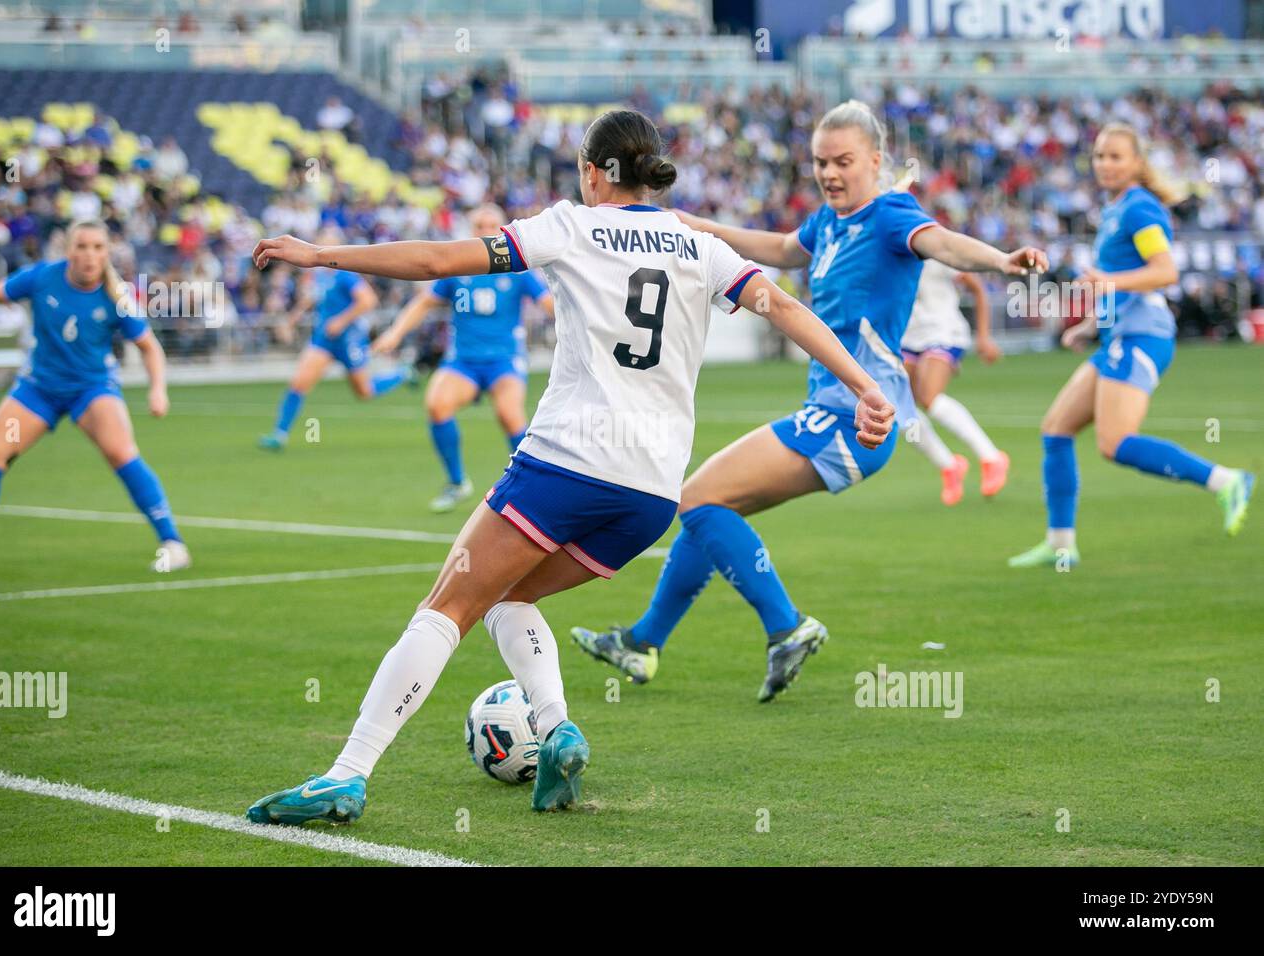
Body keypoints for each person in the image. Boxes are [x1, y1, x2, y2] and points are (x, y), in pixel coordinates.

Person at [244, 108, 894, 823]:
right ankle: (556, 730)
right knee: (506, 599)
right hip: (649, 493)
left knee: (447, 608)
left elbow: (435, 261)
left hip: (566, 463)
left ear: (592, 172)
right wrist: (865, 386)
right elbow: (784, 307)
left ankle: (348, 773)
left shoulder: (570, 225)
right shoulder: (695, 244)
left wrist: (318, 254)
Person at [571, 100, 1046, 699]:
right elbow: (778, 249)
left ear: (875, 161)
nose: (829, 173)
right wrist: (700, 228)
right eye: (821, 162)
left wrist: (1003, 259)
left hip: (856, 418)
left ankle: (786, 627)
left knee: (694, 499)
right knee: (710, 509)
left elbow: (945, 244)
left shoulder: (893, 214)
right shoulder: (826, 223)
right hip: (829, 413)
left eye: (844, 161)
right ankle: (641, 644)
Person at [1008, 123, 1254, 569]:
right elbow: (1119, 288)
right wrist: (1089, 326)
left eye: (1115, 156)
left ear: (1137, 163)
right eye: (1099, 156)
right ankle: (1060, 545)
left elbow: (1165, 272)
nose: (1104, 164)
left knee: (1115, 441)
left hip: (1144, 335)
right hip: (1119, 335)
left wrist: (1108, 282)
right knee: (1056, 429)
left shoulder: (1141, 208)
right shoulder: (1115, 209)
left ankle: (1226, 480)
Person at [0, 220, 188, 574]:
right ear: (69, 250)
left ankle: (172, 543)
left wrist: (157, 389)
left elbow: (149, 347)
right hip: (39, 388)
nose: (90, 255)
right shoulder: (41, 277)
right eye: (82, 246)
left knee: (122, 453)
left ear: (106, 253)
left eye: (98, 247)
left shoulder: (117, 296)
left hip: (92, 388)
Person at [372, 204, 554, 512]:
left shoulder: (519, 271)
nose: (485, 231)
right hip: (464, 361)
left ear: (503, 230)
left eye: (492, 225)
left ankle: (533, 489)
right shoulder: (457, 269)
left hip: (504, 359)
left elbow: (550, 304)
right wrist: (395, 332)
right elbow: (424, 303)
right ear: (472, 231)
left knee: (510, 415)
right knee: (437, 404)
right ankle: (457, 482)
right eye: (479, 225)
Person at [258, 229, 412, 451]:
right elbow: (310, 298)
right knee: (299, 383)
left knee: (364, 392)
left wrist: (341, 320)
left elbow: (368, 300)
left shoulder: (346, 274)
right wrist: (292, 319)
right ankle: (279, 434)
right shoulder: (320, 274)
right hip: (325, 339)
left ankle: (402, 373)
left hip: (349, 340)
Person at [901, 257, 1010, 505]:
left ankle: (991, 457)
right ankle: (949, 466)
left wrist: (984, 337)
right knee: (898, 408)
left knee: (930, 399)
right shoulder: (883, 254)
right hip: (907, 337)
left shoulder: (932, 251)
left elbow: (977, 287)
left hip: (943, 331)